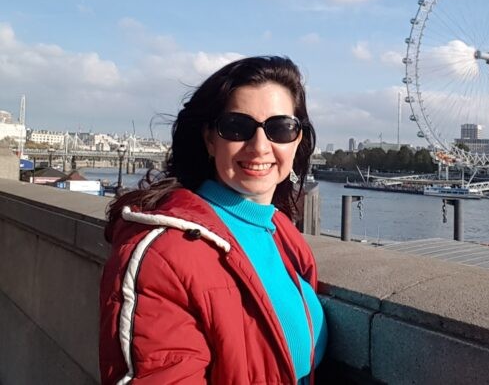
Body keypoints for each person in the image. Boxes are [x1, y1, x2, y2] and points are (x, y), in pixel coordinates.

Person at [99, 56, 327, 384]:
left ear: (298, 139)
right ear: (209, 139)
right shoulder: (164, 255)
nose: (260, 146)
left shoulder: (283, 234)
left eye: (280, 128)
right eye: (237, 127)